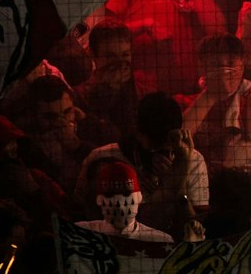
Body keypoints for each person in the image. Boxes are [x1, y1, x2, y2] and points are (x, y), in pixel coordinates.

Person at [80, 95, 209, 242]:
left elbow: (197, 230)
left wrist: (178, 180)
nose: (162, 157)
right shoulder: (103, 158)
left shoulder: (191, 160)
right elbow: (121, 229)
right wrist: (166, 190)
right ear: (138, 132)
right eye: (154, 150)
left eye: (168, 151)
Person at [182, 34, 251, 174]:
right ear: (202, 68)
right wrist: (211, 95)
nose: (225, 70)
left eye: (231, 63)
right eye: (216, 65)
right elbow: (177, 140)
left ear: (242, 67)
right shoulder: (184, 105)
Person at [79, 162, 175, 243]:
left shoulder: (160, 241)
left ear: (139, 197)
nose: (119, 205)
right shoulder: (81, 233)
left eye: (126, 194)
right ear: (99, 200)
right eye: (110, 195)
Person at [80, 21, 140, 145]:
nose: (119, 63)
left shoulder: (141, 89)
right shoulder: (80, 95)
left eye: (125, 54)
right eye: (110, 56)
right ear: (92, 54)